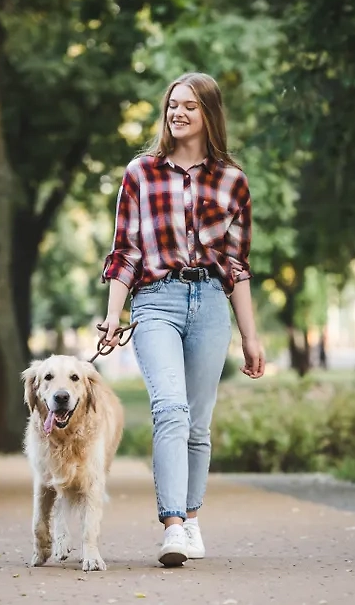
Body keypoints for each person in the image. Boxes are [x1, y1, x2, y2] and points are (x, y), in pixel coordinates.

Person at [99, 71, 266, 567]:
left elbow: (237, 266)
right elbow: (125, 251)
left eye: (190, 106)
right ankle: (172, 525)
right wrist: (114, 314)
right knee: (170, 409)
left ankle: (192, 519)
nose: (178, 112)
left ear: (209, 113)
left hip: (211, 302)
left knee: (198, 423)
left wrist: (251, 338)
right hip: (155, 301)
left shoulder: (232, 181)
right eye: (173, 104)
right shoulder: (140, 173)